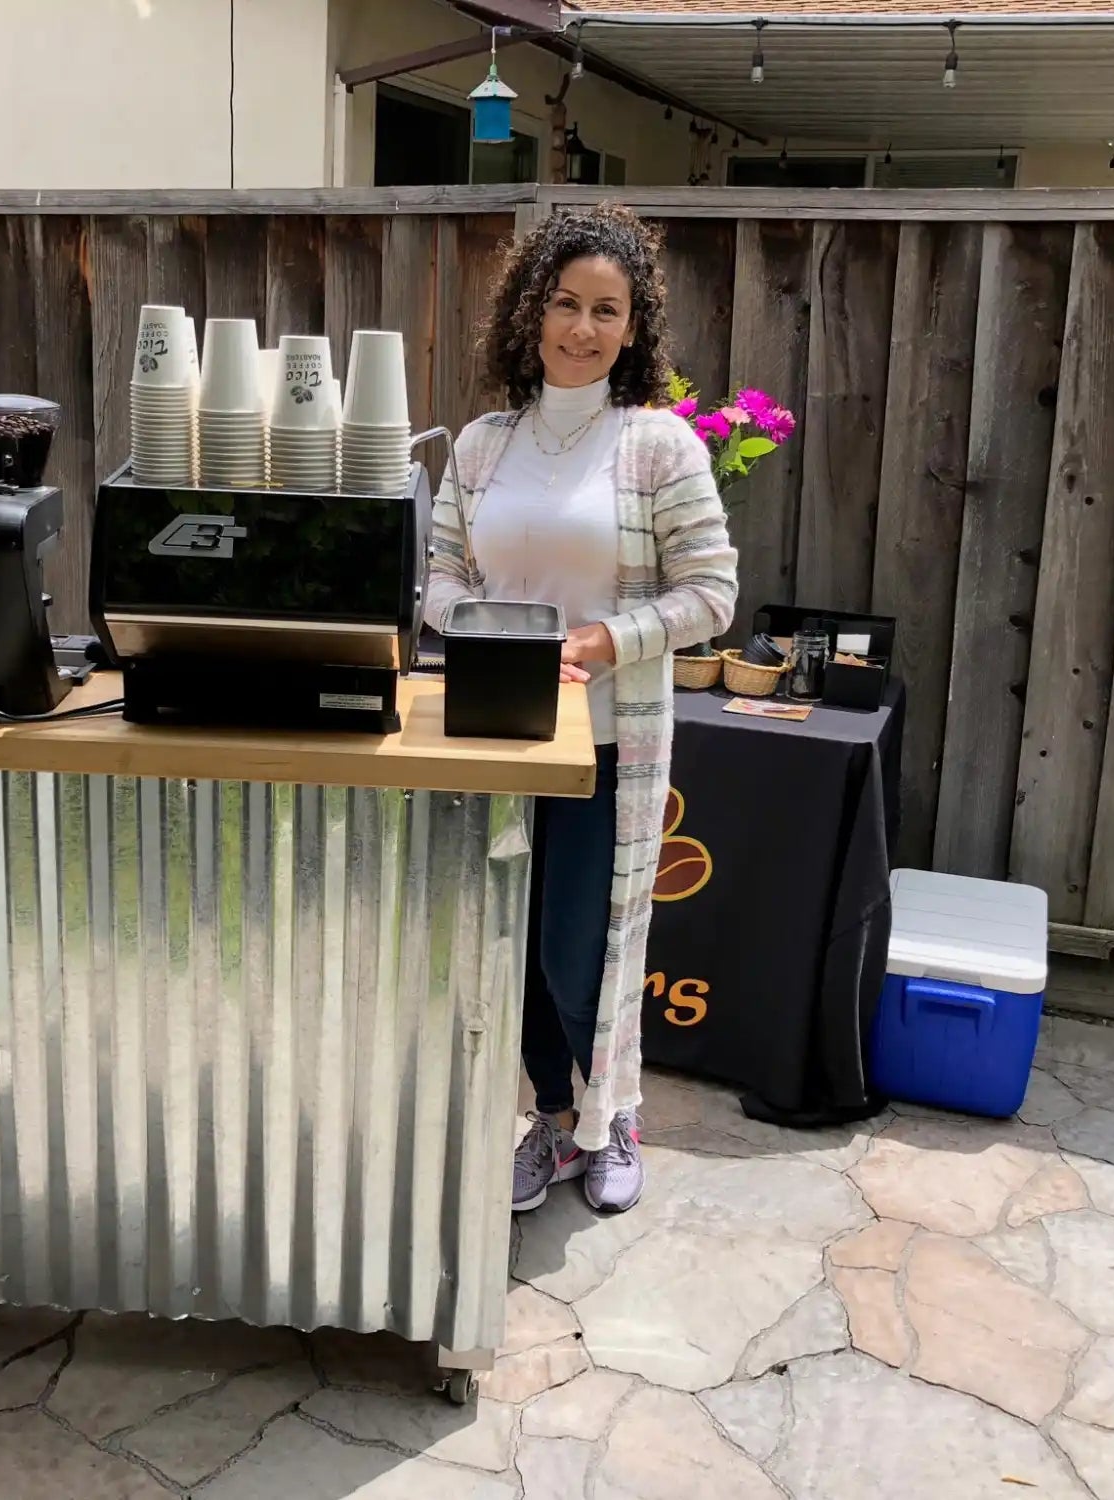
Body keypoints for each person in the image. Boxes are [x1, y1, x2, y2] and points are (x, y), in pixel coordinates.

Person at [424, 202, 738, 1215]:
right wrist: (497, 631)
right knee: (508, 952)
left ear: (633, 327)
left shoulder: (656, 447)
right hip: (492, 737)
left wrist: (602, 642)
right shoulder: (479, 447)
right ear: (528, 312)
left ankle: (613, 1119)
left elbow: (710, 595)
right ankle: (551, 1124)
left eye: (606, 309)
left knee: (580, 951)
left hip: (604, 744)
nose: (581, 328)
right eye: (563, 303)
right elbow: (434, 576)